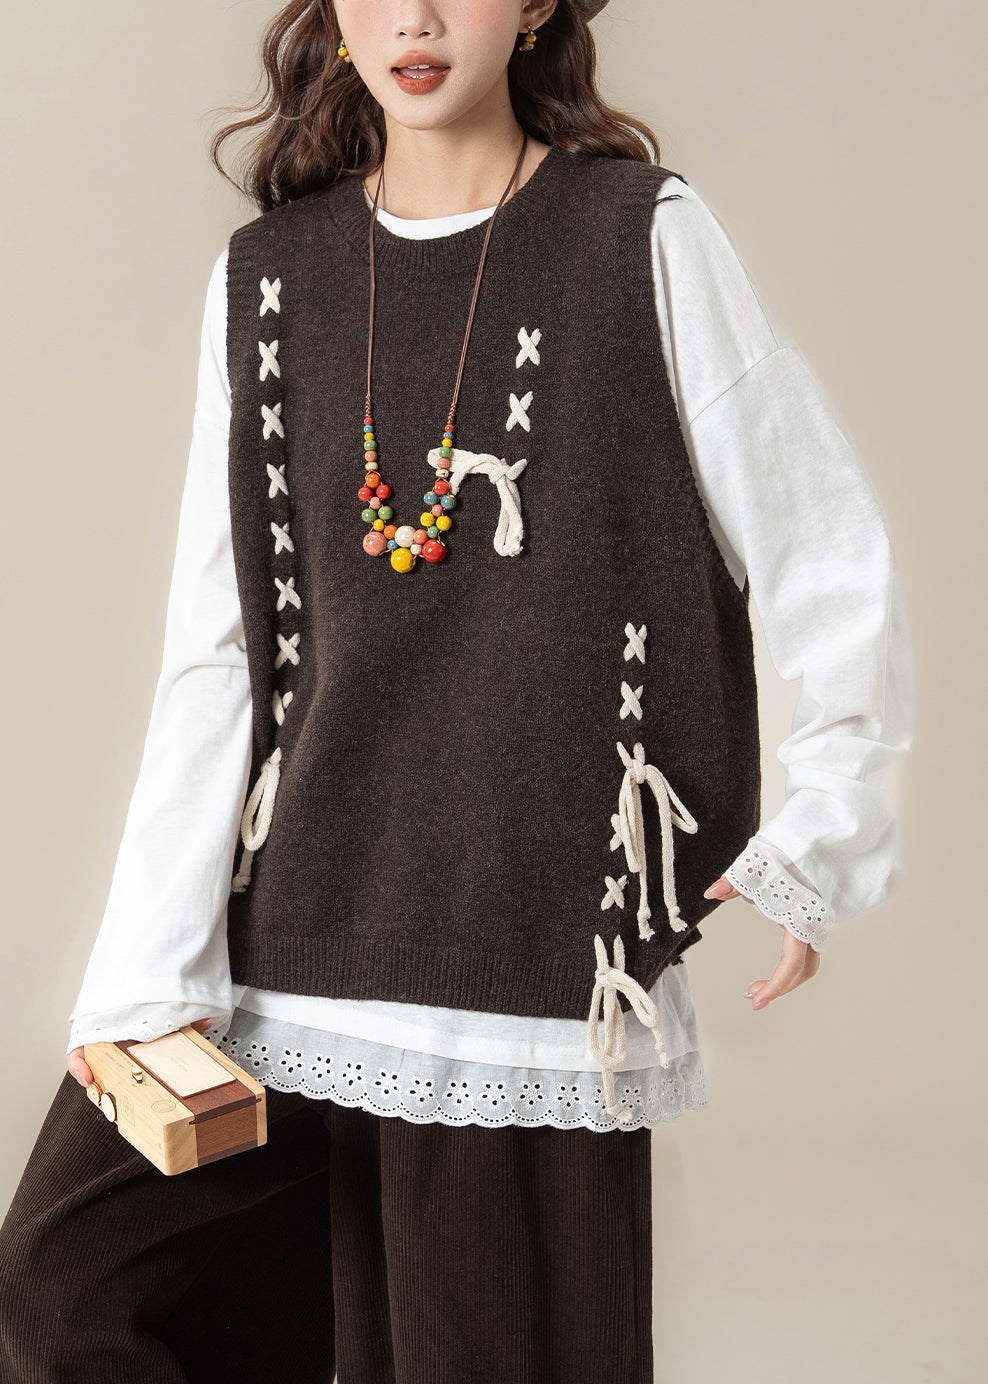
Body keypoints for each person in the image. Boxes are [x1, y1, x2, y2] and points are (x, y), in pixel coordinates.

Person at [0, 2, 914, 1381]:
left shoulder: (639, 235)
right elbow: (220, 650)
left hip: (518, 961)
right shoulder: (269, 278)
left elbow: (823, 543)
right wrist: (145, 970)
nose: (416, 19)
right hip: (282, 937)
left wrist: (825, 832)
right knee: (66, 1289)